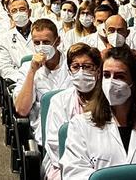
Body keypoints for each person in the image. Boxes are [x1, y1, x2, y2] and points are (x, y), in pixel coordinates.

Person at [61, 44, 136, 179]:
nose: (111, 83)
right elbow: (74, 173)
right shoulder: (81, 125)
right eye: (106, 75)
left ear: (134, 82)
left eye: (120, 76)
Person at [41, 44, 101, 178]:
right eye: (75, 67)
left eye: (87, 66)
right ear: (69, 71)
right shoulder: (59, 101)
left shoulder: (109, 100)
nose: (81, 72)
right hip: (63, 164)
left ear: (98, 70)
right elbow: (55, 144)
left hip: (103, 165)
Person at [12, 19, 72, 146]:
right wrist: (32, 71)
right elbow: (21, 109)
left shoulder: (73, 65)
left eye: (46, 42)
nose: (41, 47)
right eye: (36, 43)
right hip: (43, 129)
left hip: (73, 124)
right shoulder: (26, 69)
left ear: (58, 41)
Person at [0, 0, 35, 84]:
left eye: (22, 9)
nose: (19, 13)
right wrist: (23, 79)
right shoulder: (5, 38)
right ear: (10, 16)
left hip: (44, 78)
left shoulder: (43, 32)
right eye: (14, 11)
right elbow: (4, 66)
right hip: (20, 81)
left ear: (29, 12)